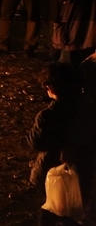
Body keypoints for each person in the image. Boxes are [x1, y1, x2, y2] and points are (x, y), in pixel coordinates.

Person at [28, 63, 88, 226]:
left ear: (50, 87)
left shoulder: (48, 115)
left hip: (50, 168)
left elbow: (37, 143)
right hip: (82, 168)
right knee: (74, 208)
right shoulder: (86, 110)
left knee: (49, 208)